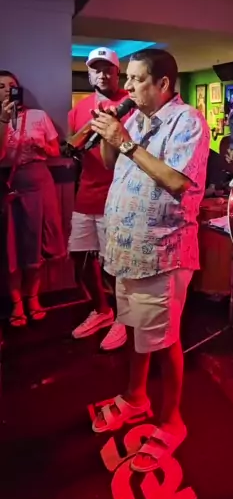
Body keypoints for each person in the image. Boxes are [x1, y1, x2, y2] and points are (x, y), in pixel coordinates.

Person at [89, 49, 210, 474]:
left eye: (137, 79)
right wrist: (112, 136)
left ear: (163, 84)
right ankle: (136, 397)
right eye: (129, 78)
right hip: (128, 248)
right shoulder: (138, 120)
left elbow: (177, 181)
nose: (128, 86)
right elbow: (111, 164)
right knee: (136, 328)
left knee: (165, 339)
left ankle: (172, 421)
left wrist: (126, 141)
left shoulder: (187, 122)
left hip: (163, 251)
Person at [69, 48, 130, 351]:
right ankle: (102, 310)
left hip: (118, 195)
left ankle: (123, 318)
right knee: (79, 259)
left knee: (114, 265)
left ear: (118, 73)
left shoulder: (131, 103)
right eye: (97, 69)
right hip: (87, 193)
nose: (103, 75)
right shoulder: (80, 108)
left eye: (108, 69)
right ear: (89, 73)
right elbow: (74, 146)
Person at [0, 71, 64, 326]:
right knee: (11, 245)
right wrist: (3, 121)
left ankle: (33, 298)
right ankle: (16, 302)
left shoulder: (38, 116)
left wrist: (43, 148)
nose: (7, 89)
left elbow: (55, 151)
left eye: (11, 85)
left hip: (39, 182)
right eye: (0, 86)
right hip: (7, 185)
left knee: (35, 243)